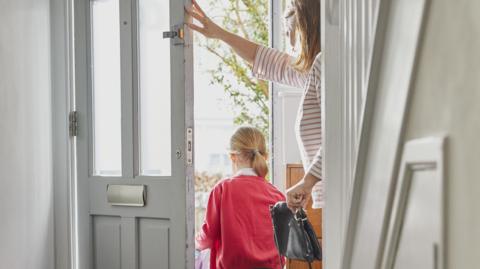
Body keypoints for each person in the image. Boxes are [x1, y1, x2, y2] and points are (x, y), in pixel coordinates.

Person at [185, 0, 322, 210]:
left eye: (288, 33)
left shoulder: (324, 65)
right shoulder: (314, 70)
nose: (289, 43)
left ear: (305, 28)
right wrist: (219, 33)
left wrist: (307, 181)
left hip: (337, 188)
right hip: (330, 190)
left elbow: (337, 134)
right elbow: (265, 59)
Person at [196, 126, 285, 269]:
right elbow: (283, 243)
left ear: (233, 156)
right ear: (265, 157)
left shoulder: (222, 190)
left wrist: (195, 242)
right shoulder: (277, 195)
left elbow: (208, 238)